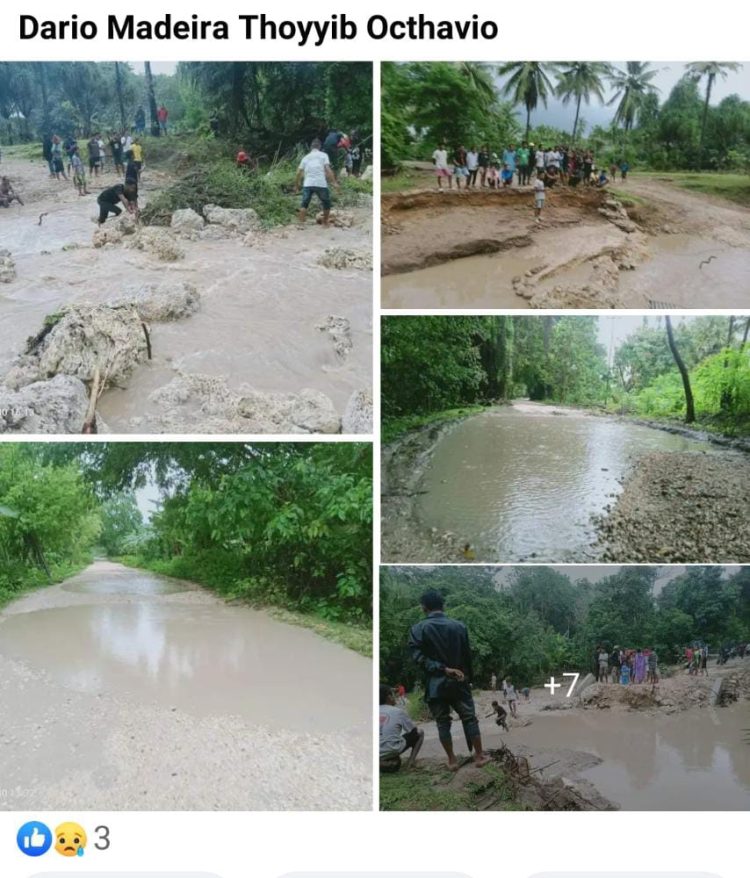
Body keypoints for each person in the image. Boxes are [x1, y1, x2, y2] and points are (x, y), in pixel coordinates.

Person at [408, 588, 490, 770]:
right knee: (469, 718)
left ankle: (452, 760)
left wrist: (441, 669)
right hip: (459, 682)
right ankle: (479, 756)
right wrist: (468, 679)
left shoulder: (418, 629)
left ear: (423, 607)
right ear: (442, 605)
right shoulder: (459, 626)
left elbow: (418, 658)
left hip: (435, 684)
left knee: (442, 722)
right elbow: (467, 656)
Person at [295, 137, 338, 226]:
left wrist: (296, 185)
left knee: (304, 204)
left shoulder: (305, 157)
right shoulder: (324, 155)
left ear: (311, 147)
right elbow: (328, 169)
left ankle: (301, 224)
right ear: (320, 147)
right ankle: (325, 223)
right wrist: (334, 182)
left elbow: (298, 172)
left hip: (308, 184)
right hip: (320, 183)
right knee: (326, 203)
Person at [379, 685, 424, 772]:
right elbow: (413, 731)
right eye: (393, 695)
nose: (395, 697)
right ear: (389, 697)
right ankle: (411, 762)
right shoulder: (398, 711)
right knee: (420, 732)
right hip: (391, 749)